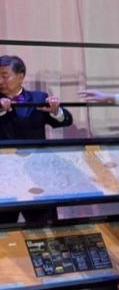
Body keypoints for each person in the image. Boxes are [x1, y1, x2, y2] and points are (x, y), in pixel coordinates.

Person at [0, 54, 74, 226]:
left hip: (36, 174)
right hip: (4, 177)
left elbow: (66, 120)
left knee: (44, 226)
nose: (0, 81)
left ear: (20, 76)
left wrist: (57, 111)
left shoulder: (39, 98)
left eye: (4, 75)